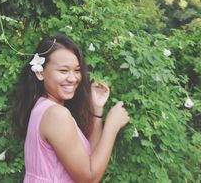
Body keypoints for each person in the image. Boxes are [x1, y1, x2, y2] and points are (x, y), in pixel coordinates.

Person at [13, 34, 129, 183]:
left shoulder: (44, 107)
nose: (73, 78)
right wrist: (112, 126)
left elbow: (89, 159)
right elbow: (89, 178)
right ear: (40, 72)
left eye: (77, 70)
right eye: (63, 71)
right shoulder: (56, 114)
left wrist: (97, 109)